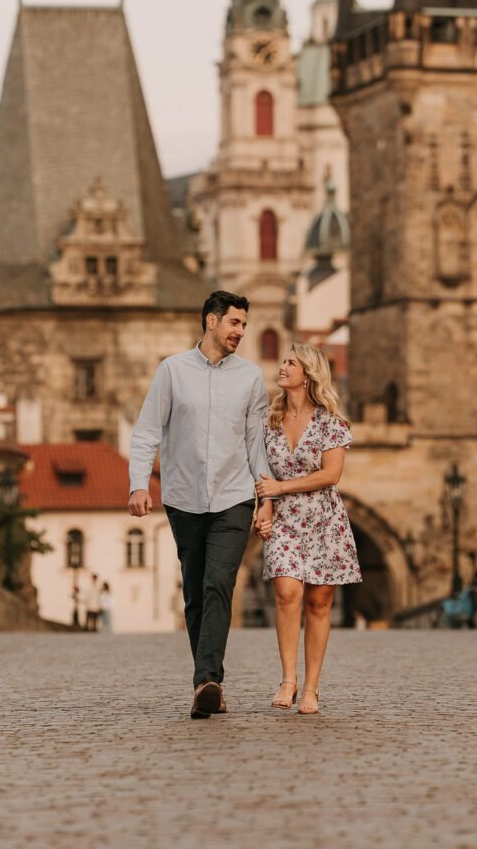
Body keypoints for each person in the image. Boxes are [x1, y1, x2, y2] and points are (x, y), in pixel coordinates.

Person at [128, 291, 273, 720]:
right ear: (211, 321)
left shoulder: (250, 378)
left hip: (234, 496)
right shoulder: (172, 371)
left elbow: (257, 443)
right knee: (194, 592)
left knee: (218, 584)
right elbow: (146, 432)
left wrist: (266, 497)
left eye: (244, 325)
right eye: (234, 323)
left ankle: (208, 681)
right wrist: (139, 485)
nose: (240, 332)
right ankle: (207, 683)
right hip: (184, 497)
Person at [255, 343, 362, 716]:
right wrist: (265, 502)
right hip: (285, 520)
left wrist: (281, 487)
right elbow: (261, 467)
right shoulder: (269, 419)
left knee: (318, 603)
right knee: (286, 593)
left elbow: (331, 475)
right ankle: (288, 679)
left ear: (308, 374)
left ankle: (312, 687)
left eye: (291, 362)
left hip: (323, 520)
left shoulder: (330, 422)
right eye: (283, 360)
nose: (282, 366)